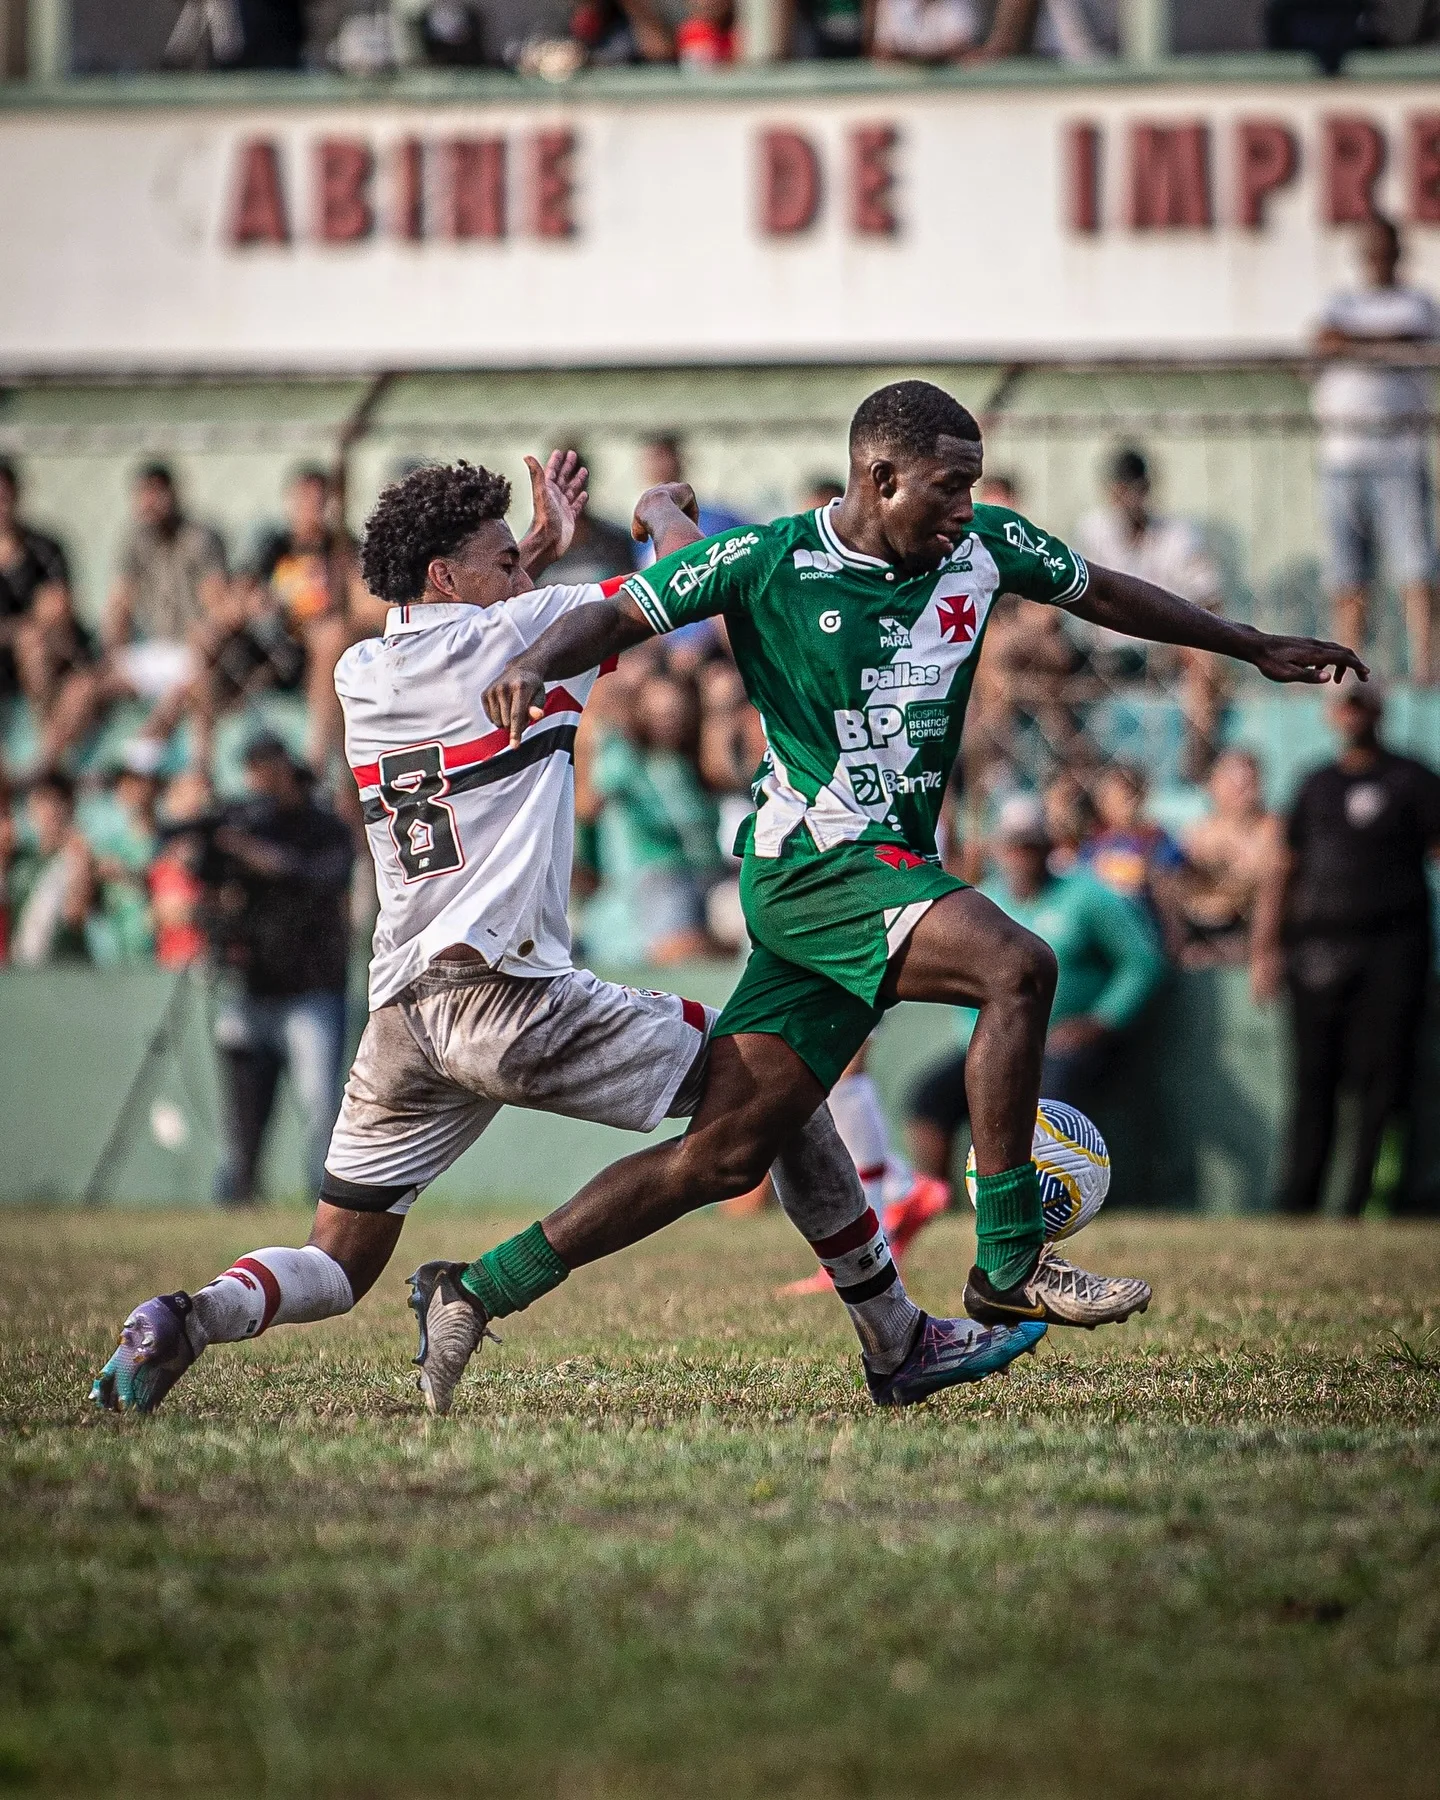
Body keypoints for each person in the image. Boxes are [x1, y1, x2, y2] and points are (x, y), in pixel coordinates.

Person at [443, 378, 1360, 1401]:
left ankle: (475, 1290)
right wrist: (529, 657)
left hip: (879, 879)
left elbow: (1103, 590)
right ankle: (1008, 1259)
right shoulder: (767, 559)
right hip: (816, 868)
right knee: (1018, 966)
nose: (967, 505)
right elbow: (614, 619)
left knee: (722, 1157)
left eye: (972, 484)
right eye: (948, 484)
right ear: (880, 478)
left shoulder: (984, 549)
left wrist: (1253, 646)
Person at [92, 450, 1041, 1417]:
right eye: (504, 559)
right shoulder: (534, 627)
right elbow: (684, 586)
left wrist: (527, 552)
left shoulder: (358, 670)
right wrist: (670, 512)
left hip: (401, 1016)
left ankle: (190, 1315)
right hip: (507, 997)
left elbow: (481, 617)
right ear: (448, 577)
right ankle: (898, 1339)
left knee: (337, 1262)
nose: (526, 571)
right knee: (778, 1086)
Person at [906, 792, 1165, 1186]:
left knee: (1049, 1095)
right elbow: (963, 976)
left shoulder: (1087, 895)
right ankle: (934, 1196)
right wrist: (971, 1037)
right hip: (1000, 1040)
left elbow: (1142, 961)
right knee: (929, 1095)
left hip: (1066, 1042)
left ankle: (1046, 1194)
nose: (1021, 855)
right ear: (997, 848)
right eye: (1012, 845)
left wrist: (1101, 1020)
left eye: (1030, 844)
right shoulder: (984, 902)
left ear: (1047, 846)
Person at [1251, 685, 1440, 1217]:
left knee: (1383, 1081)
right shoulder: (1315, 784)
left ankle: (1370, 1201)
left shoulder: (1413, 779)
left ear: (1380, 712)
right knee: (1314, 1083)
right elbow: (1281, 871)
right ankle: (1299, 1203)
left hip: (1393, 952)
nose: (1354, 715)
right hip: (1316, 954)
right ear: (1333, 715)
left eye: (1363, 705)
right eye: (1345, 705)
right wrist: (1265, 948)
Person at [197, 732, 355, 1205]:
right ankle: (241, 1189)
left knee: (319, 1107)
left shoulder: (324, 827)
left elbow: (320, 876)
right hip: (253, 986)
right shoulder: (244, 825)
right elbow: (206, 879)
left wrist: (250, 852)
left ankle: (328, 1200)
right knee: (243, 1105)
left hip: (312, 989)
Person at [1313, 215, 1440, 684]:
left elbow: (1409, 338)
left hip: (1399, 452)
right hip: (1343, 456)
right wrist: (1357, 343)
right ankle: (1348, 669)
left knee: (1416, 568)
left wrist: (1354, 343)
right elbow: (1323, 340)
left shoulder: (1416, 303)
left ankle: (1426, 670)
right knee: (1348, 575)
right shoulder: (1340, 302)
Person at [1074, 447, 1225, 778]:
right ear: (1110, 491)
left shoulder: (1177, 536)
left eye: (1135, 488)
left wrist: (1180, 632)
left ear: (1147, 489)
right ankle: (1076, 767)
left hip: (1163, 648)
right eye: (1121, 489)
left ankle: (1196, 771)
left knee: (1204, 657)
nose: (1128, 498)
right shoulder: (1093, 530)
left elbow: (1210, 600)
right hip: (1104, 649)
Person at [251, 465, 370, 771]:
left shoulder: (343, 547)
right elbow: (248, 593)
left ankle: (315, 759)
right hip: (277, 646)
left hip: (324, 651)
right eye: (304, 500)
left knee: (330, 635)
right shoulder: (274, 547)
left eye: (319, 501)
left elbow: (359, 603)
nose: (311, 509)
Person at [105, 463, 226, 712]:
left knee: (190, 680)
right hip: (153, 647)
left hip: (194, 649)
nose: (149, 503)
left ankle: (147, 746)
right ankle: (49, 751)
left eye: (156, 494)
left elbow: (215, 604)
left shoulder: (199, 539)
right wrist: (115, 654)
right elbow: (120, 602)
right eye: (143, 495)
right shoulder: (134, 541)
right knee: (84, 687)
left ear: (174, 495)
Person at [1177, 749, 1283, 968]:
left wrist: (1227, 875)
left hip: (1250, 930)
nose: (1241, 790)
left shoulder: (1272, 830)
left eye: (1248, 783)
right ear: (1213, 785)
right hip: (1202, 929)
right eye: (1232, 782)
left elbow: (1270, 883)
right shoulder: (1198, 834)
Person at [1078, 760, 1189, 954]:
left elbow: (1170, 884)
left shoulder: (1157, 840)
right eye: (1114, 797)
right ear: (1101, 803)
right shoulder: (1095, 844)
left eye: (1130, 795)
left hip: (1145, 927)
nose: (1126, 803)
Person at [6, 772, 99, 965]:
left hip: (65, 969)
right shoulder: (20, 860)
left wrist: (80, 861)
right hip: (22, 971)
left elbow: (75, 914)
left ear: (70, 807)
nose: (51, 810)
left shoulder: (78, 856)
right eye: (43, 801)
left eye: (58, 801)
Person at [0, 458, 70, 707]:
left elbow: (55, 611)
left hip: (41, 646)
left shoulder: (44, 548)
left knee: (33, 642)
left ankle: (45, 731)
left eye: (4, 497)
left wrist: (19, 630)